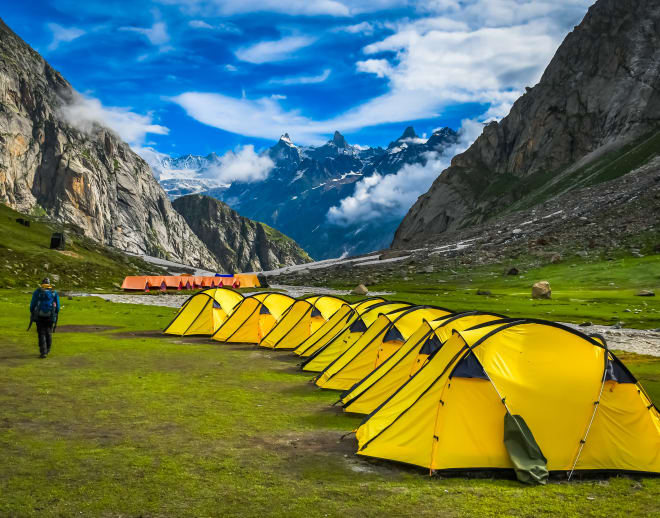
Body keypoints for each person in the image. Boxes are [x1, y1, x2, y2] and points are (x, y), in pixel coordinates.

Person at [29, 277, 60, 358]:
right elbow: (58, 307)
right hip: (50, 315)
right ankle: (48, 349)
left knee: (41, 333)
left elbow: (32, 304)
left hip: (39, 315)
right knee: (48, 332)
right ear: (49, 284)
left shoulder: (38, 291)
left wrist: (32, 312)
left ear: (42, 283)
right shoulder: (53, 292)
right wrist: (56, 313)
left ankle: (43, 352)